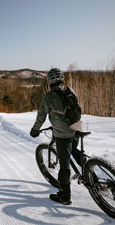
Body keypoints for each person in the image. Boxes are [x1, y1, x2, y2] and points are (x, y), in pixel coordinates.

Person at [30, 68, 82, 205]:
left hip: (62, 134)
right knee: (75, 151)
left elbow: (41, 116)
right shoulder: (70, 90)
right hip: (76, 129)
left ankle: (64, 196)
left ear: (50, 81)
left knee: (64, 166)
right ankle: (89, 172)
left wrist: (35, 130)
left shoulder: (49, 97)